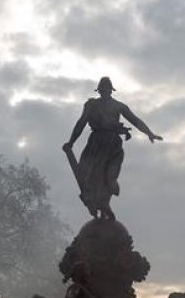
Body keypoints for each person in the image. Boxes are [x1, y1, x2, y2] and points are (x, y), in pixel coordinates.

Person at [62, 77, 163, 220]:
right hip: (96, 144)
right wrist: (71, 141)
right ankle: (97, 204)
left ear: (111, 90)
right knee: (90, 175)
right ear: (99, 90)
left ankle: (105, 204)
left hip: (113, 145)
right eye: (102, 88)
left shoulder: (119, 106)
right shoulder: (91, 105)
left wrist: (149, 133)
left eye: (107, 88)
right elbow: (82, 122)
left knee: (110, 176)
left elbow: (135, 120)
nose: (105, 91)